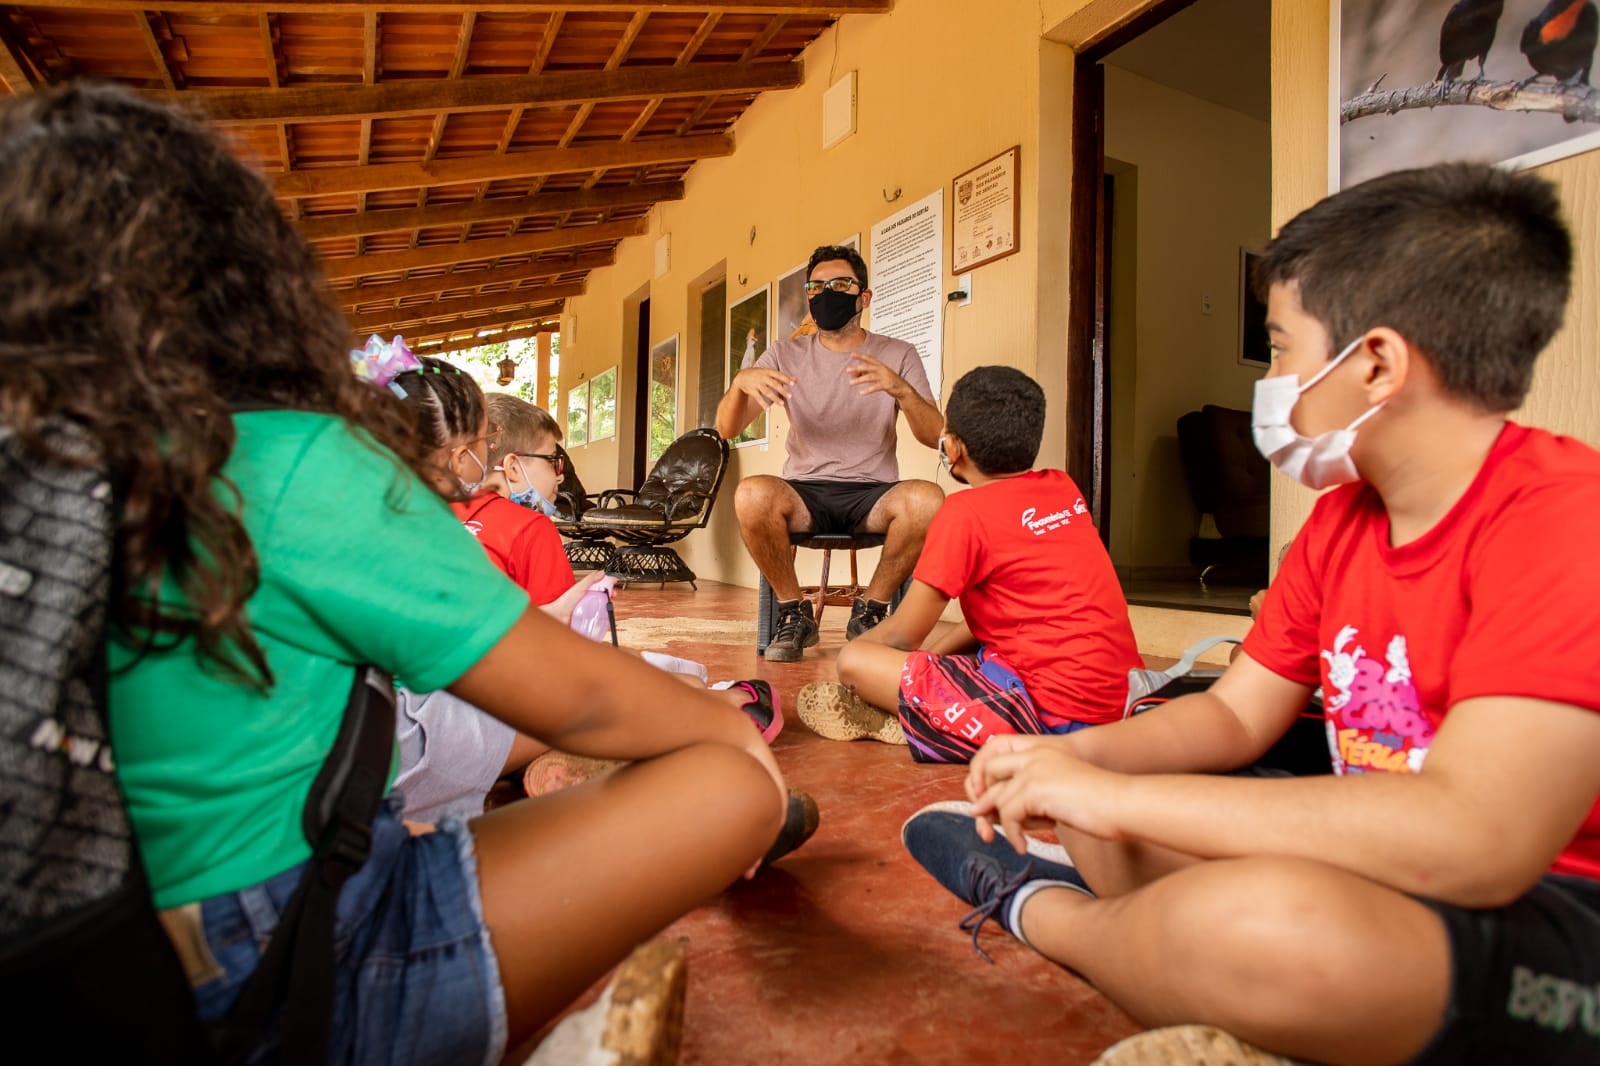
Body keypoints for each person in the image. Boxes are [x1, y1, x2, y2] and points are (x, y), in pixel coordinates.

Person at [0, 84, 789, 1065]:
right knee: (726, 784)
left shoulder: (33, 477)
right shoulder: (280, 459)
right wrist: (736, 736)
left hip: (78, 963)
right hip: (284, 968)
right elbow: (584, 698)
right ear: (241, 272)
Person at [901, 161, 1600, 1066]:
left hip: (1553, 907)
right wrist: (1080, 758)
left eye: (1280, 347)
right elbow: (1235, 714)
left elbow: (1476, 842)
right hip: (1382, 865)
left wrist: (1109, 791)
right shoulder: (1341, 523)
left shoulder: (1564, 520)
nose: (1272, 379)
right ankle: (1171, 940)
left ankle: (1047, 911)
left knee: (1265, 928)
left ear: (1376, 363)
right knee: (1106, 813)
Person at [796, 366, 1142, 763]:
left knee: (855, 660)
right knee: (971, 651)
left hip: (1050, 717)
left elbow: (903, 636)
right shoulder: (1062, 487)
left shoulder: (964, 512)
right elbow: (994, 620)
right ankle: (929, 697)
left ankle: (927, 719)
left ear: (953, 448)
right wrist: (933, 659)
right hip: (1125, 706)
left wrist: (868, 660)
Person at [716, 244, 945, 661]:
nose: (826, 293)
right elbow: (727, 429)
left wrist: (902, 391)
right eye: (816, 287)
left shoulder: (898, 353)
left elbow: (936, 437)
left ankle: (870, 611)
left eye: (840, 285)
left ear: (864, 297)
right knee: (751, 494)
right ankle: (793, 612)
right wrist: (739, 383)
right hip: (804, 492)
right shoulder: (783, 354)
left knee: (929, 499)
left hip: (873, 493)